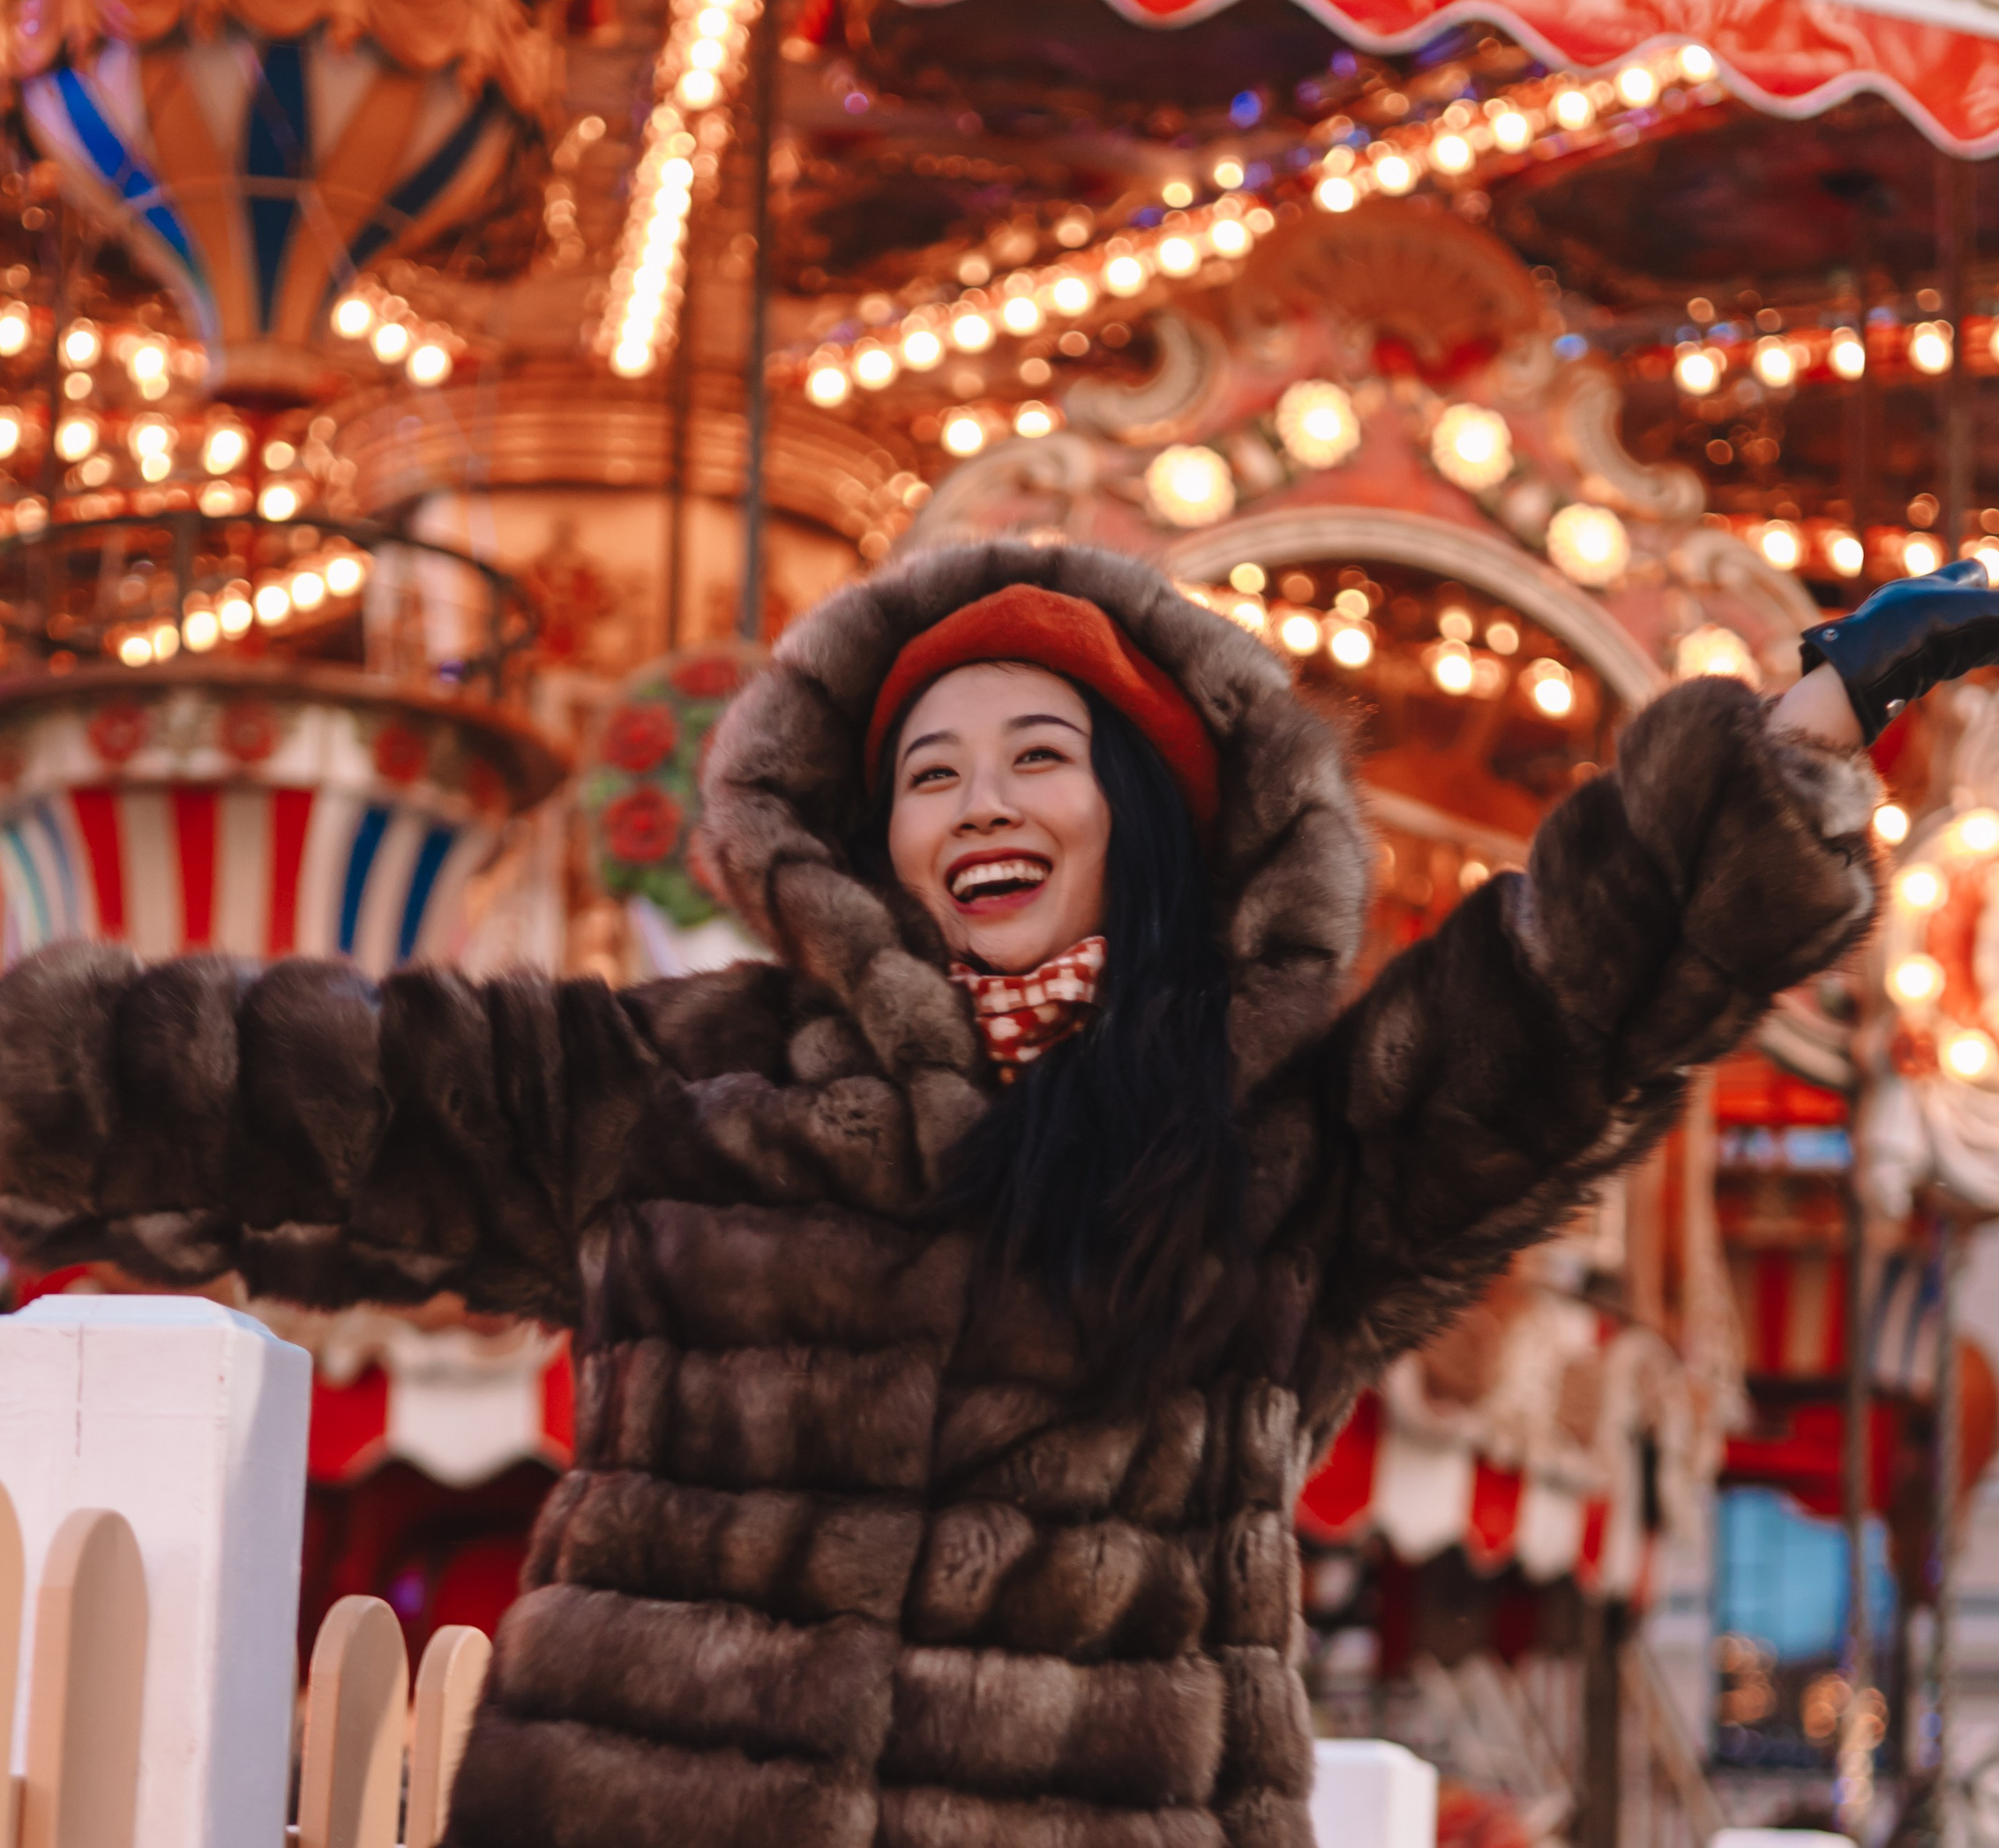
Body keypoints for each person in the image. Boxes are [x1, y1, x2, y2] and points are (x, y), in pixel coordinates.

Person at [0, 542, 1987, 1848]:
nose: (979, 806)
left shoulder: (1281, 1154)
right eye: (927, 775)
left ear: (1140, 821)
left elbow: (1564, 1000)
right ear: (867, 839)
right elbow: (288, 1085)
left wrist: (1804, 723)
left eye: (1041, 757)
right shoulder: (683, 1091)